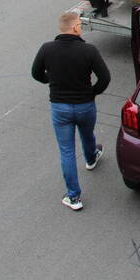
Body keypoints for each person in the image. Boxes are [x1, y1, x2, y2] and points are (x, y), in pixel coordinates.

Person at [31, 11, 111, 211]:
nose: (81, 29)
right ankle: (91, 157)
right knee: (87, 133)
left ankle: (73, 197)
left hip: (60, 107)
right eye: (80, 26)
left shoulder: (47, 49)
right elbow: (105, 78)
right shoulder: (89, 51)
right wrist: (91, 93)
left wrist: (52, 81)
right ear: (75, 28)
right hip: (85, 105)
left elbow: (36, 73)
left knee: (66, 151)